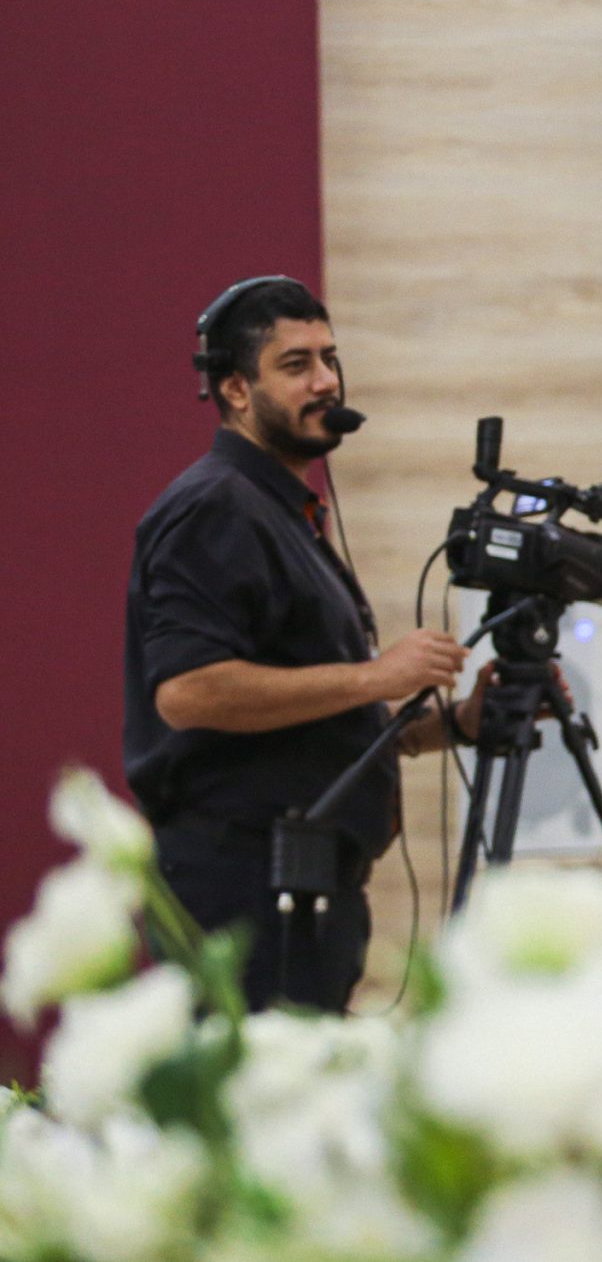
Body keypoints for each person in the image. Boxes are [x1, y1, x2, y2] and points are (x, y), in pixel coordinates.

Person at [125, 276, 480, 1011]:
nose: (325, 381)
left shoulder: (280, 511)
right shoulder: (218, 506)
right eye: (296, 365)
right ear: (235, 388)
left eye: (329, 358)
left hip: (301, 887)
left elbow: (315, 726)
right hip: (246, 892)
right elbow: (188, 692)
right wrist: (377, 676)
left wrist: (454, 725)